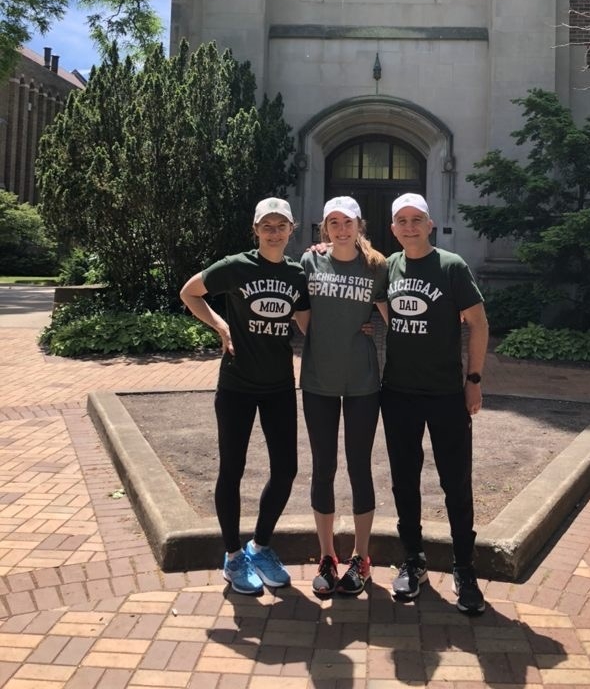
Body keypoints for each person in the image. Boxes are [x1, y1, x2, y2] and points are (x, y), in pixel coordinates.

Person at [179, 197, 310, 596]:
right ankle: (233, 556)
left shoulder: (296, 273)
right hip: (236, 385)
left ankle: (261, 545)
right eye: (266, 225)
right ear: (255, 230)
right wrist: (220, 325)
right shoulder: (235, 266)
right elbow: (190, 292)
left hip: (279, 387)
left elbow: (307, 323)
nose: (274, 231)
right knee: (231, 470)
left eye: (280, 225)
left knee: (285, 469)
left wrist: (354, 333)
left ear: (292, 229)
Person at [381, 193, 489, 614]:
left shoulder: (451, 266)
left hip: (446, 394)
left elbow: (479, 323)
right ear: (393, 229)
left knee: (455, 483)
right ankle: (413, 561)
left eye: (417, 220)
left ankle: (464, 567)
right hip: (399, 393)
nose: (409, 227)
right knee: (404, 480)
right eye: (401, 221)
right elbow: (376, 295)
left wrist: (473, 380)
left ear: (430, 224)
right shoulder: (387, 266)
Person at [300, 196, 388, 597]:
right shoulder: (309, 262)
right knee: (323, 466)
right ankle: (326, 556)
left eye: (347, 221)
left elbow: (394, 315)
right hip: (318, 379)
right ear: (325, 229)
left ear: (359, 225)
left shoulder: (376, 267)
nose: (341, 229)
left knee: (359, 466)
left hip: (362, 382)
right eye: (333, 223)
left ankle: (361, 557)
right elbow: (295, 308)